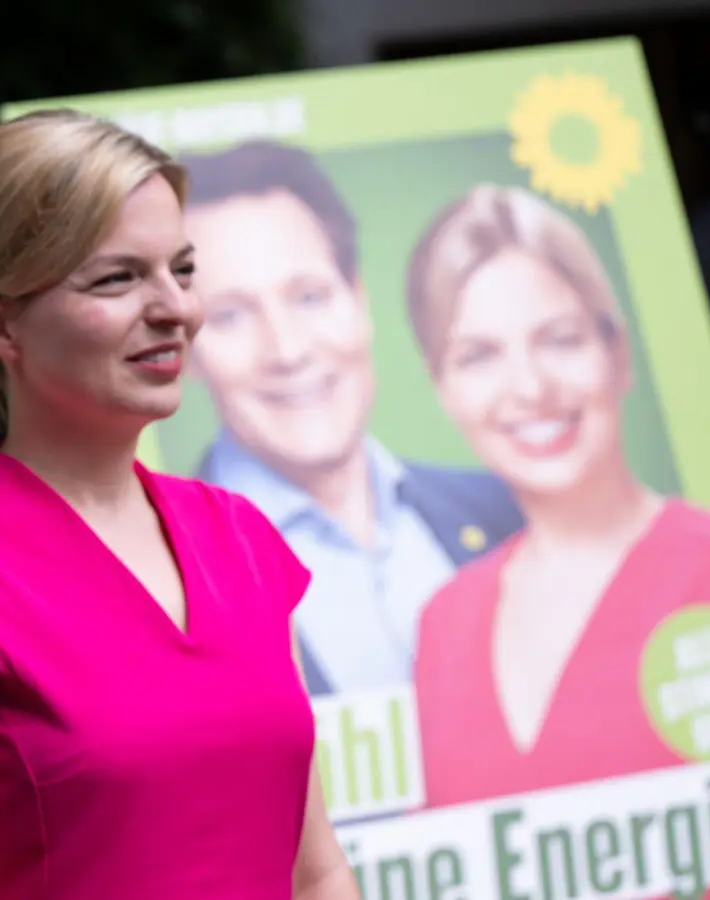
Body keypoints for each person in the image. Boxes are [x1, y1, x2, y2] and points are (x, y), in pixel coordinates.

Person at [0, 110, 359, 900]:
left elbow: (316, 871)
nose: (176, 309)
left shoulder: (243, 537)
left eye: (182, 271)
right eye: (117, 278)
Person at [407, 184, 710, 898]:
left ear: (617, 353)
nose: (529, 386)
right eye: (478, 356)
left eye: (559, 339)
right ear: (443, 390)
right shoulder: (445, 621)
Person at [175, 139, 525, 697]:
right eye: (231, 315)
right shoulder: (159, 577)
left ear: (358, 299)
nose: (287, 349)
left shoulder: (509, 509)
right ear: (185, 351)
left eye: (310, 297)